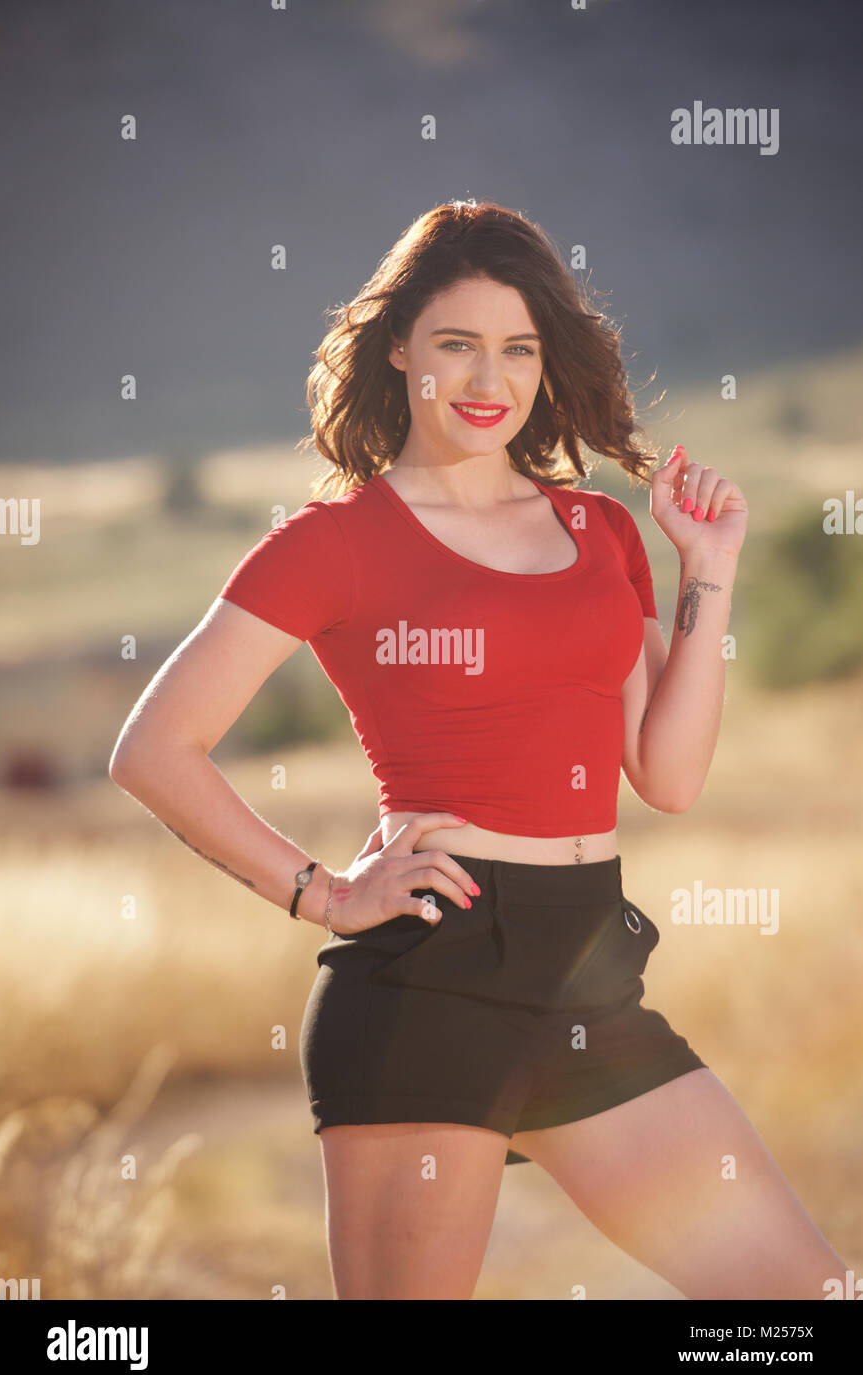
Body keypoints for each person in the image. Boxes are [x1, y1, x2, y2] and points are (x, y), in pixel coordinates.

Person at [110, 199, 847, 1301]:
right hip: (429, 979)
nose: (484, 376)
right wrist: (321, 892)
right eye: (455, 343)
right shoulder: (332, 542)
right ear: (399, 346)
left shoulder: (595, 530)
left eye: (516, 347)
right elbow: (154, 747)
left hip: (589, 974)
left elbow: (670, 775)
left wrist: (707, 570)